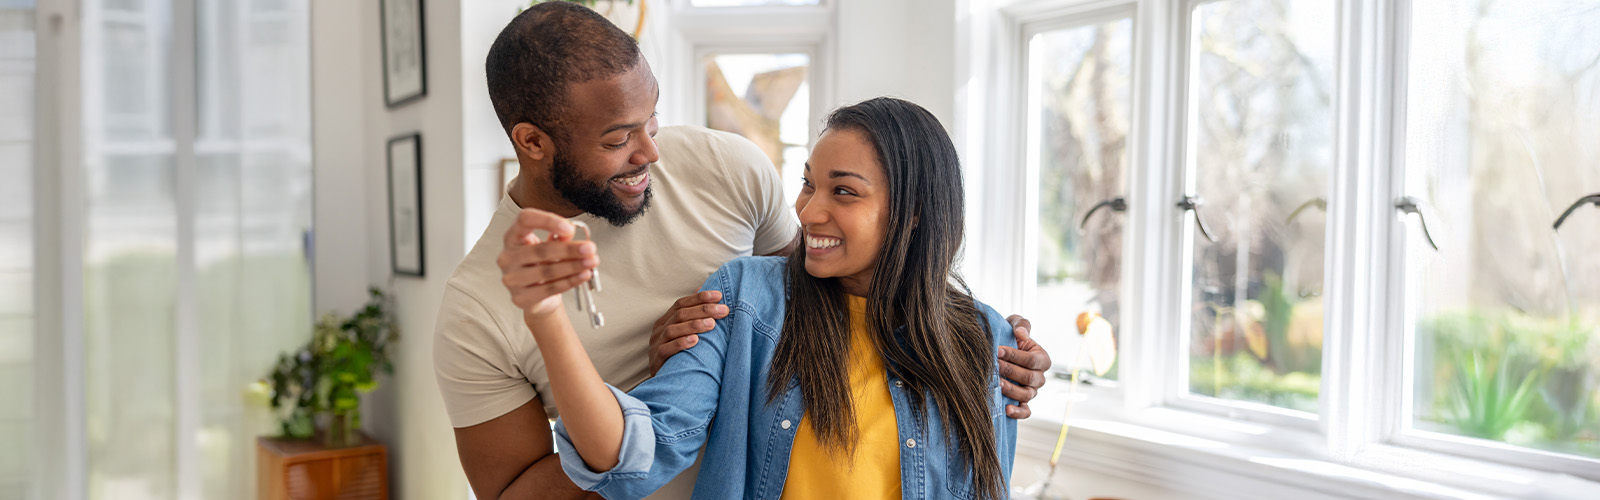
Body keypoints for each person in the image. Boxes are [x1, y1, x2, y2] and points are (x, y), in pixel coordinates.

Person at [434, 3, 1052, 499]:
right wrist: (559, 322)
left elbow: (828, 267)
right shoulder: (480, 307)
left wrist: (975, 331)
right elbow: (622, 460)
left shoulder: (724, 168)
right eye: (621, 139)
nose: (653, 153)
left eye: (653, 121)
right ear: (532, 142)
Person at [508, 97, 1016, 500]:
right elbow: (631, 456)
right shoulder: (745, 299)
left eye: (843, 192)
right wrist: (547, 315)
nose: (809, 211)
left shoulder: (988, 340)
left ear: (915, 212)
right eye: (807, 184)